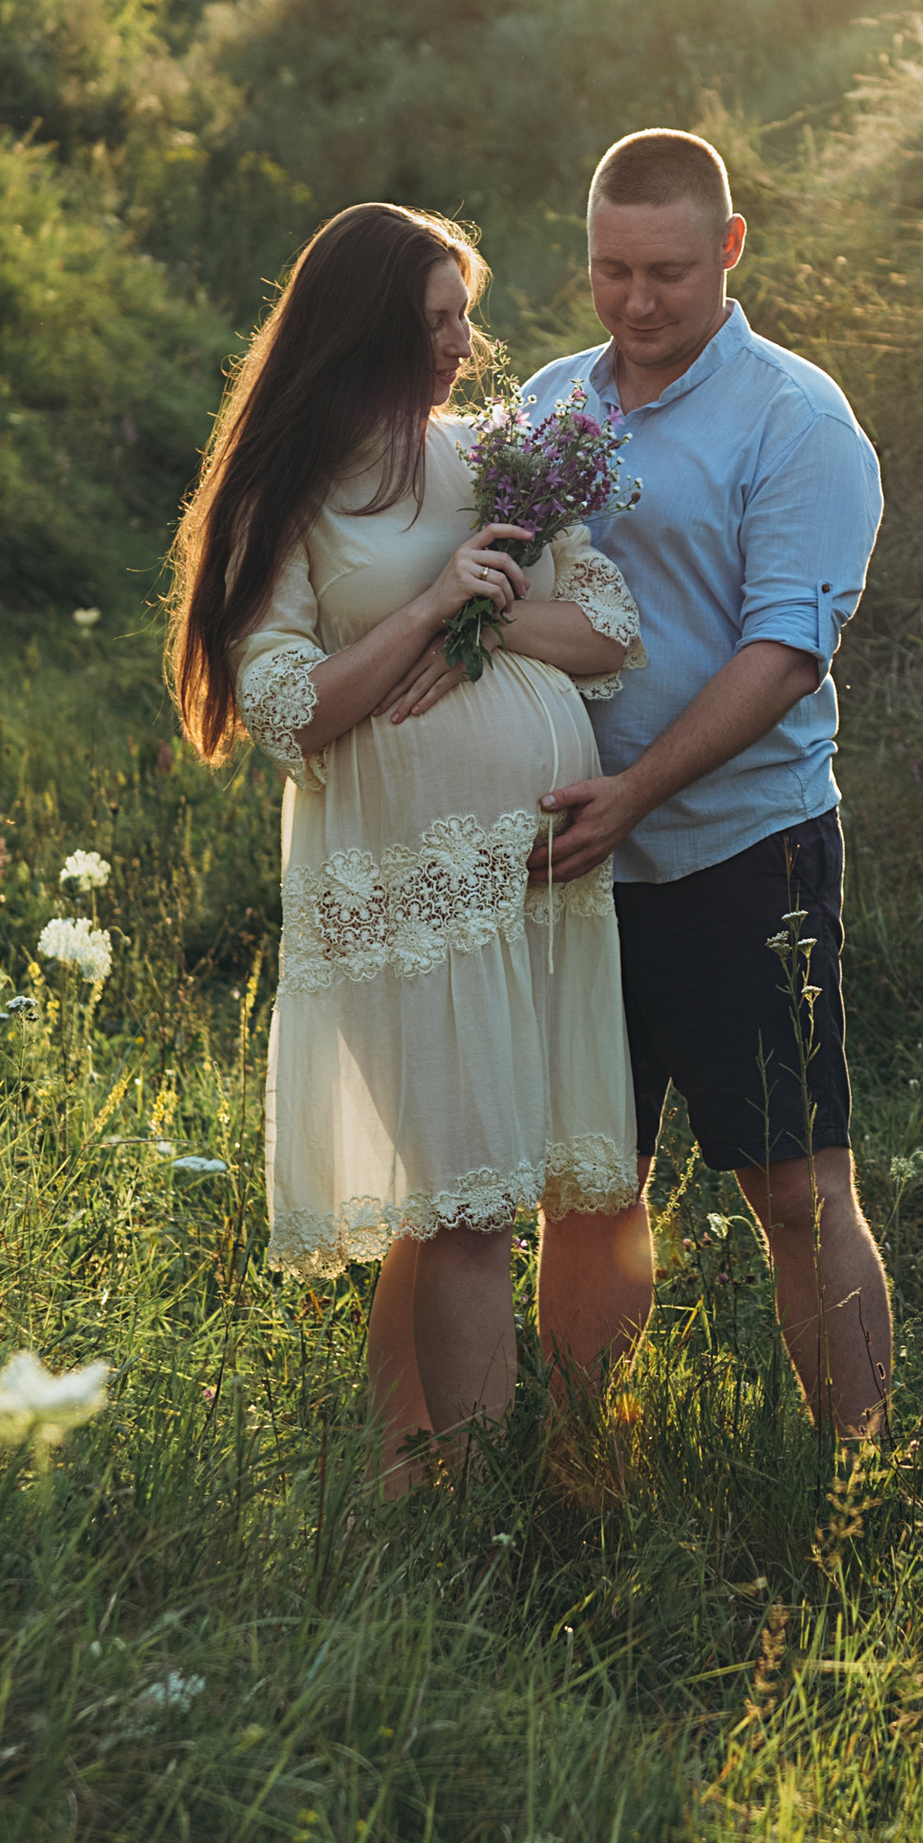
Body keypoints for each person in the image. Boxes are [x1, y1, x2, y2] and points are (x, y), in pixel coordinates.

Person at [165, 201, 646, 1487]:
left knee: (450, 1207)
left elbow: (604, 631)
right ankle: (489, 1514)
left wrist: (472, 632)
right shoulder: (293, 482)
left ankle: (406, 1482)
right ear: (374, 327)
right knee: (473, 1203)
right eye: (437, 322)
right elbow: (287, 708)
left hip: (530, 890)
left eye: (463, 317)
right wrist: (435, 603)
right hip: (406, 892)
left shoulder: (495, 455)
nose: (462, 346)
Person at [526, 128, 890, 1435]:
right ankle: (568, 1467)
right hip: (574, 862)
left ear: (730, 248)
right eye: (610, 268)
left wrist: (640, 792)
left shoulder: (797, 419)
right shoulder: (552, 402)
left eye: (668, 271)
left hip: (746, 854)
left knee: (793, 1189)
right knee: (587, 1186)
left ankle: (856, 1478)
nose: (635, 300)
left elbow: (786, 652)